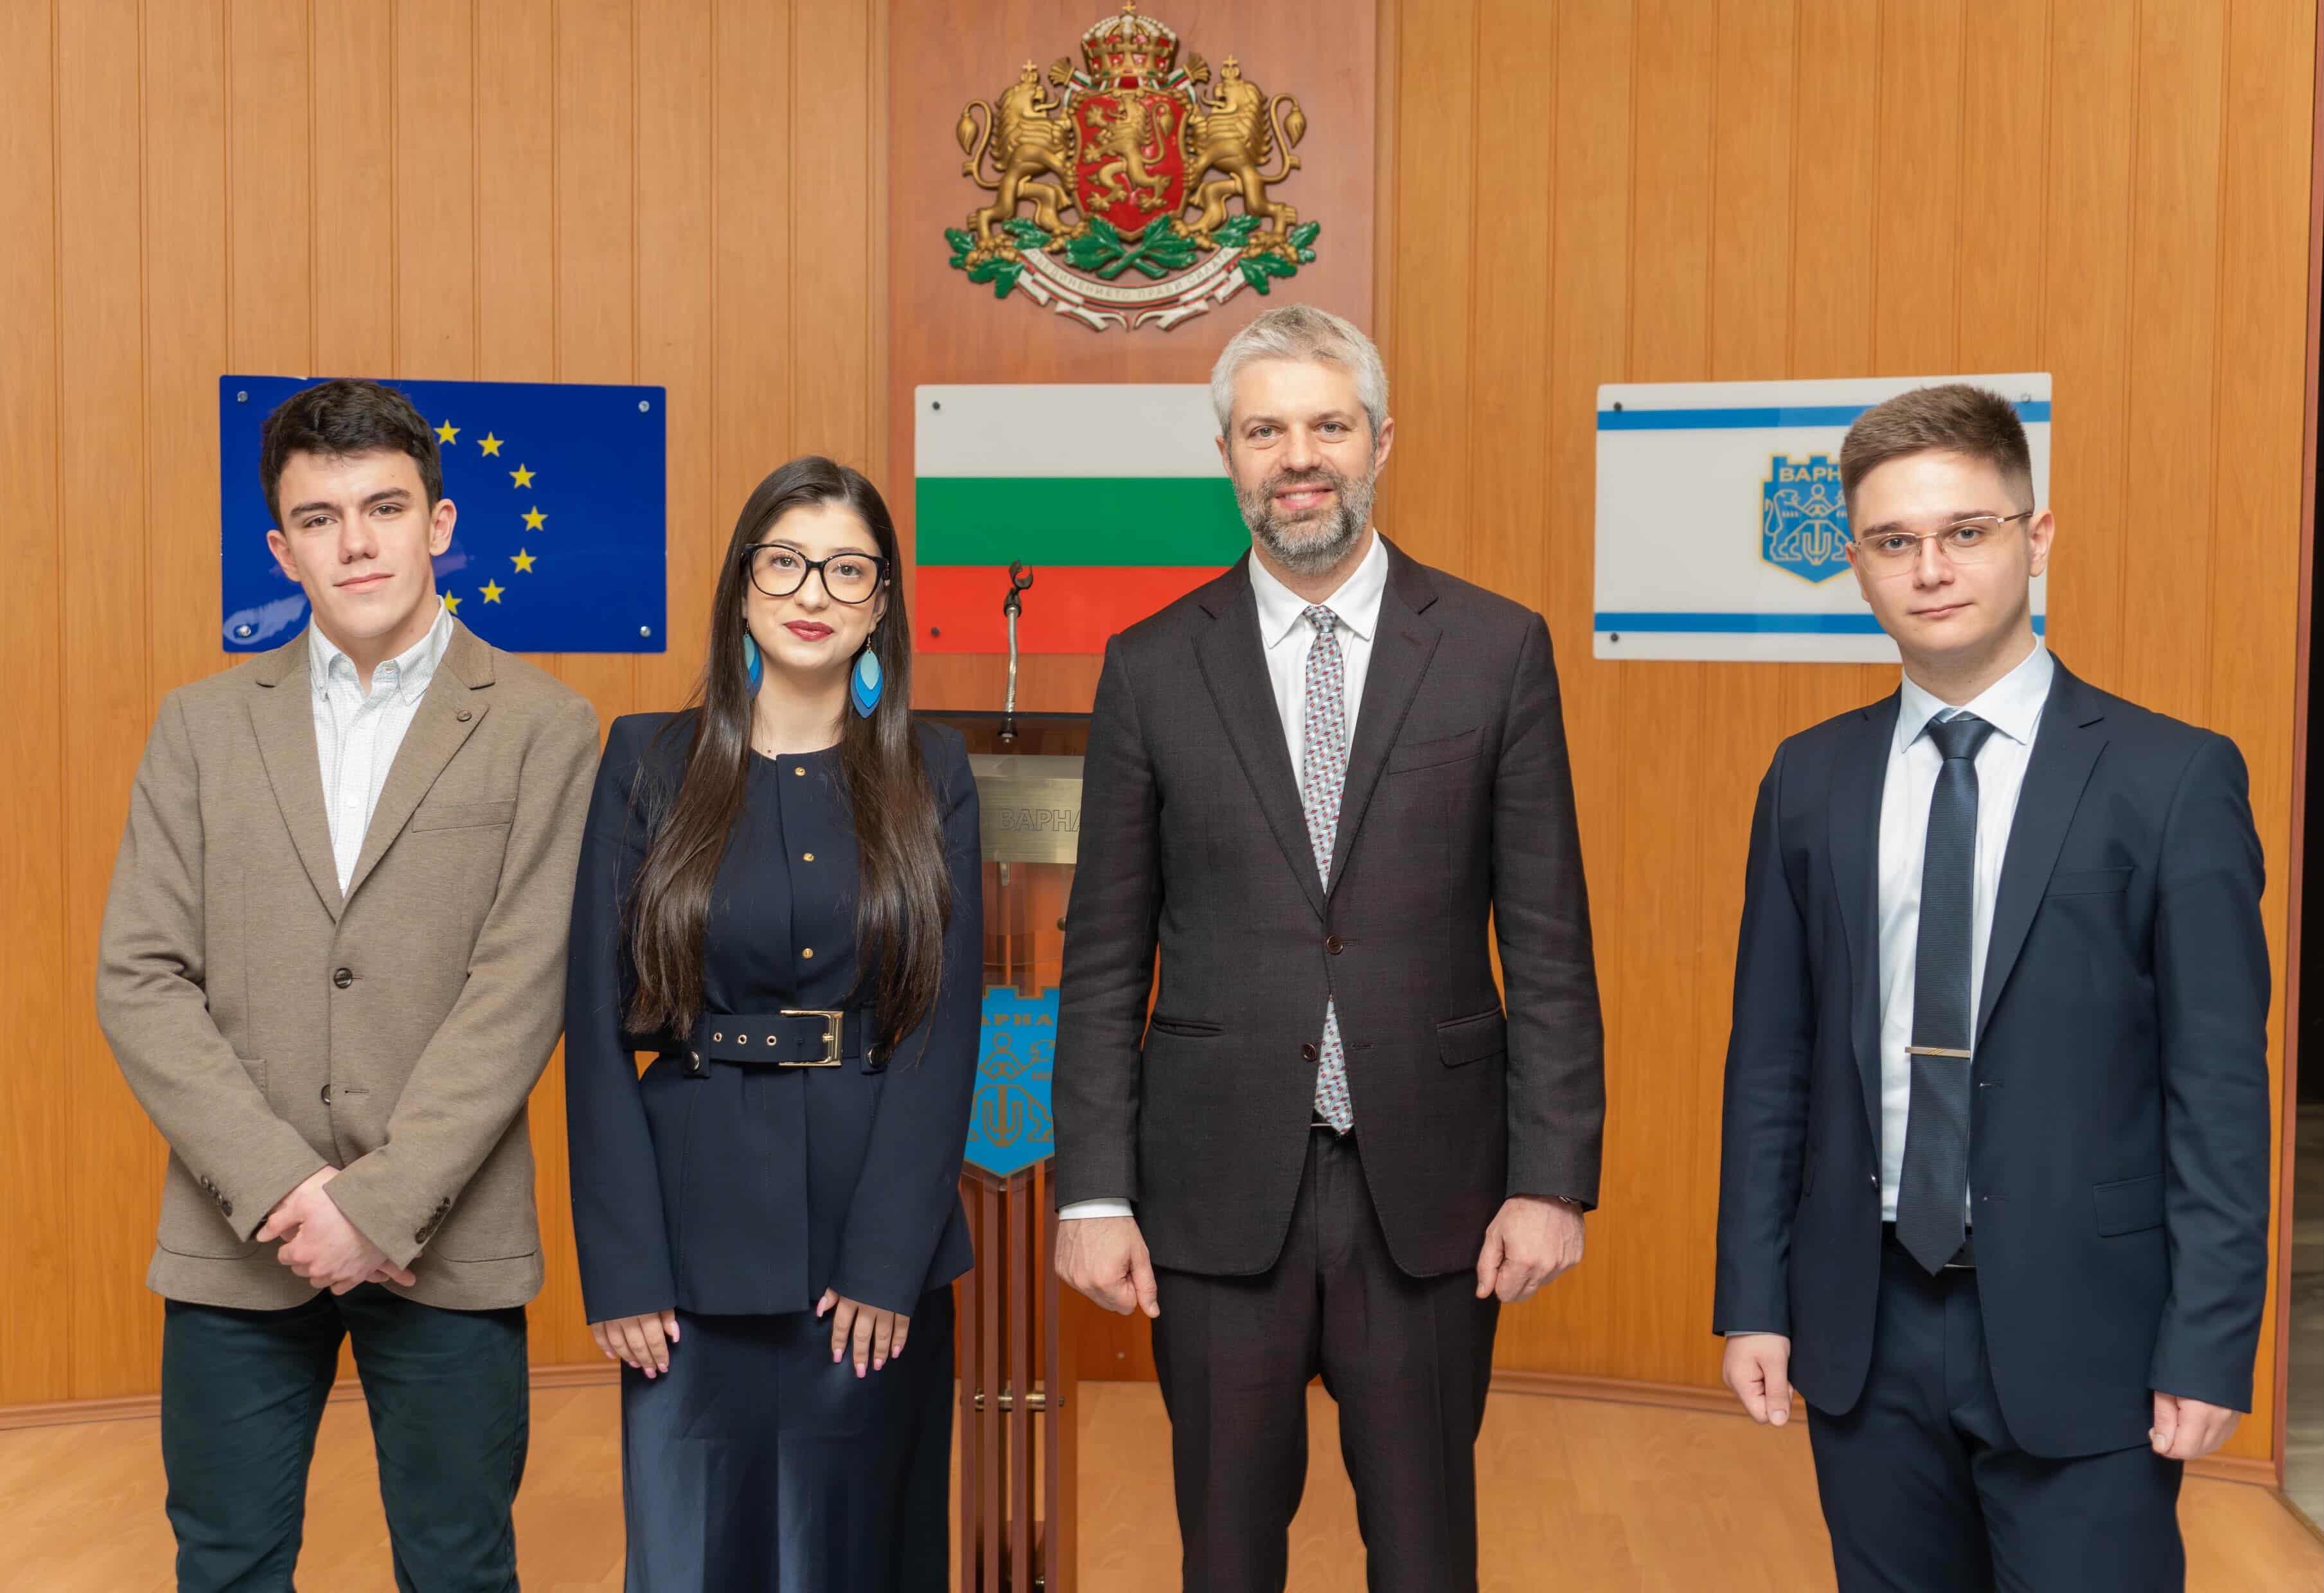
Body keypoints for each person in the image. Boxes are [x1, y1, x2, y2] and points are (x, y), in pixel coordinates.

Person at [1051, 304, 1606, 1591]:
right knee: (1226, 1555)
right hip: (1211, 1191)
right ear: (1227, 457)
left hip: (1431, 1193)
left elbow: (1549, 942)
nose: (1297, 457)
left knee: (1424, 1555)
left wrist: (1552, 1178)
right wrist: (1091, 1192)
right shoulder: (1150, 665)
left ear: (1381, 440)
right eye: (1264, 432)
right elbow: (1103, 958)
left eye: (1327, 426)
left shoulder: (1495, 650)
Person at [1714, 385, 2272, 1590]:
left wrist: (2210, 1342)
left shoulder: (2171, 780)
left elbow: (2218, 1091)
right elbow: (1770, 1063)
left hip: (2093, 1331)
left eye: (1965, 531)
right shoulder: (1808, 780)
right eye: (1893, 541)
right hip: (1864, 1324)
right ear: (1855, 562)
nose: (1930, 570)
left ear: (2036, 536)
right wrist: (1752, 1299)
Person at [96, 377, 599, 1591]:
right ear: (282, 549)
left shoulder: (547, 725)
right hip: (237, 1235)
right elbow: (141, 976)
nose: (356, 543)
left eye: (385, 507)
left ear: (439, 523)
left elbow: (523, 985)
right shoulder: (200, 726)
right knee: (225, 1563)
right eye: (319, 519)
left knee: (458, 1566)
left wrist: (379, 1204)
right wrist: (287, 1190)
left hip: (449, 1233)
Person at [565, 456, 980, 1591]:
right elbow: (592, 1028)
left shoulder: (931, 770)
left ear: (880, 606)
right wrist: (624, 1266)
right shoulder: (646, 759)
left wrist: (889, 1260)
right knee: (695, 1557)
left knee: (861, 1556)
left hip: (869, 1252)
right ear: (742, 585)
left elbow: (943, 1030)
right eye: (786, 562)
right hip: (687, 1245)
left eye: (848, 571)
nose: (813, 592)